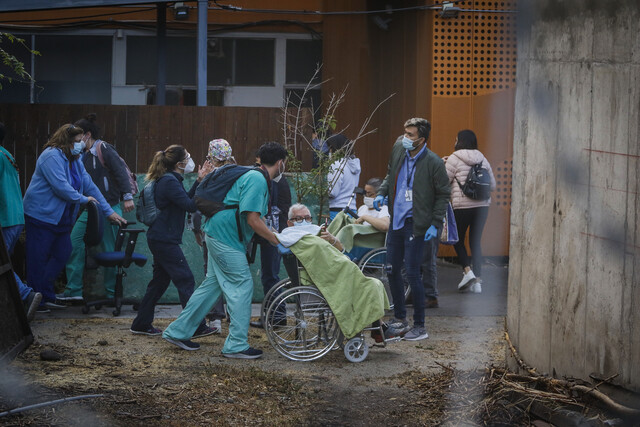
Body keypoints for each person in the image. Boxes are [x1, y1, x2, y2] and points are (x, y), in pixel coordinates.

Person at [162, 142, 287, 358]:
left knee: (212, 285)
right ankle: (236, 345)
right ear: (280, 163)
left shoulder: (251, 175)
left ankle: (178, 331)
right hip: (226, 237)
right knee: (241, 284)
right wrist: (277, 241)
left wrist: (274, 234)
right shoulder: (257, 179)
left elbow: (254, 216)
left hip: (216, 232)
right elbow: (253, 219)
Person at [22, 124, 126, 310]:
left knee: (63, 252)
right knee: (38, 258)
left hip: (61, 218)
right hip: (41, 215)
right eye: (77, 141)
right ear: (66, 141)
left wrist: (108, 211)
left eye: (81, 141)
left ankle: (44, 294)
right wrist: (84, 199)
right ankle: (37, 299)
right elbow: (61, 187)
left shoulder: (75, 160)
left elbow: (90, 186)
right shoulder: (51, 156)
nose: (81, 144)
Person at [374, 117, 450, 341]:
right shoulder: (399, 149)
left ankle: (420, 326)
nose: (405, 138)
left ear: (421, 139)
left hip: (416, 223)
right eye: (405, 133)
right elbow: (390, 174)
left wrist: (435, 223)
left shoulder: (433, 162)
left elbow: (443, 194)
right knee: (391, 269)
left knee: (413, 272)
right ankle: (400, 318)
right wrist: (382, 193)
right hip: (396, 220)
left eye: (410, 135)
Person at [130, 145, 214, 337]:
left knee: (159, 283)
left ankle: (141, 323)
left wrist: (199, 180)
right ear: (179, 163)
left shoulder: (170, 180)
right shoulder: (169, 181)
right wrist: (202, 184)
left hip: (161, 238)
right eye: (187, 157)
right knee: (186, 279)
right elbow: (190, 205)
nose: (190, 160)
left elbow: (184, 201)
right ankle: (196, 326)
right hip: (164, 239)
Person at [58, 114, 135, 302]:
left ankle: (112, 294)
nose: (76, 142)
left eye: (78, 137)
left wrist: (127, 196)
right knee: (74, 242)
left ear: (87, 135)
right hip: (91, 208)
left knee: (110, 249)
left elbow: (120, 171)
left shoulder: (104, 148)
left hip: (109, 205)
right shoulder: (81, 156)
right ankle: (74, 291)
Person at [189, 139, 237, 334]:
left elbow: (197, 205)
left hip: (212, 230)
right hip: (234, 231)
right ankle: (235, 315)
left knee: (212, 273)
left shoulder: (208, 177)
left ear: (210, 156)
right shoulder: (238, 173)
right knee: (234, 273)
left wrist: (196, 230)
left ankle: (215, 319)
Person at [444, 130, 496, 293]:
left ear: (460, 141)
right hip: (482, 206)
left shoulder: (454, 158)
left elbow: (444, 182)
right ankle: (478, 282)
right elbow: (493, 185)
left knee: (457, 239)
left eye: (456, 139)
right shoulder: (483, 158)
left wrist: (444, 164)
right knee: (475, 241)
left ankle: (468, 272)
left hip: (462, 206)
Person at [0, 122, 42, 321]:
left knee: (3, 265)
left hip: (5, 218)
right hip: (15, 216)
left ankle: (26, 295)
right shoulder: (6, 154)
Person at [249, 148, 292, 329]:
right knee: (269, 275)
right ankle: (274, 316)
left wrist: (274, 235)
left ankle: (277, 316)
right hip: (269, 232)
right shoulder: (269, 179)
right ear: (280, 162)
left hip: (273, 234)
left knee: (270, 276)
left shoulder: (276, 181)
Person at [327, 133, 361, 220]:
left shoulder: (336, 164)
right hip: (352, 209)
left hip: (336, 210)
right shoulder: (354, 164)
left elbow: (332, 192)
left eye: (330, 148)